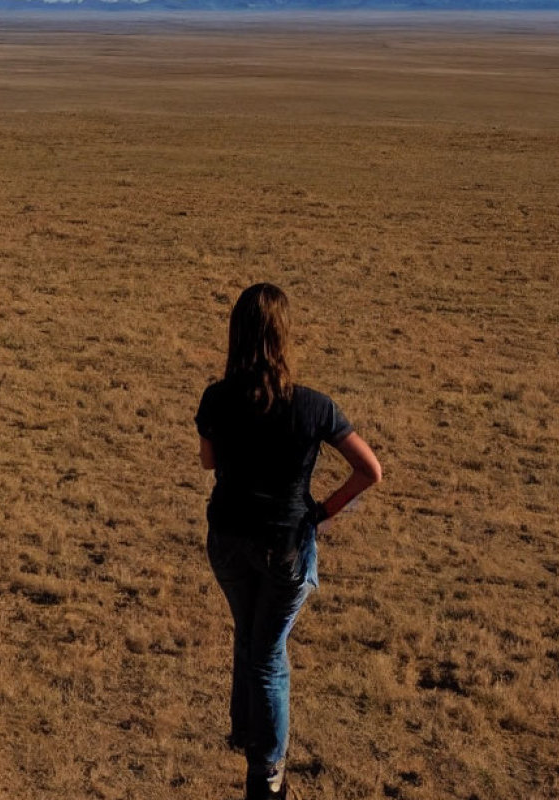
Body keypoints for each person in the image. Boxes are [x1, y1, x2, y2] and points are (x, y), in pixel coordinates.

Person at [195, 283, 382, 800]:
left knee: (248, 635)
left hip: (228, 540)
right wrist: (322, 511)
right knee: (268, 653)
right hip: (287, 546)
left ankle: (246, 731)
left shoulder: (216, 398)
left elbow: (209, 462)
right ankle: (267, 772)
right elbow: (369, 470)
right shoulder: (314, 407)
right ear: (284, 336)